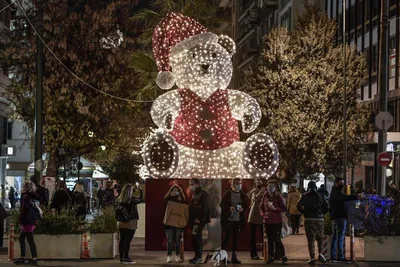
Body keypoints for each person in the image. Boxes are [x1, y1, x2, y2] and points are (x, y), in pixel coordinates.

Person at [329, 177, 362, 263]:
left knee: (335, 237)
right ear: (336, 183)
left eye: (343, 183)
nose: (342, 185)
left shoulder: (335, 192)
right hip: (339, 217)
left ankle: (334, 257)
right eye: (340, 183)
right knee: (340, 237)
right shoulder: (336, 193)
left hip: (336, 217)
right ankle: (340, 257)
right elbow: (343, 198)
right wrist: (356, 196)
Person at [297, 181, 329, 265]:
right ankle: (321, 254)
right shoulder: (321, 196)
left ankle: (312, 257)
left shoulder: (304, 195)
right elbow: (327, 206)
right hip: (319, 219)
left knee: (310, 239)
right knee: (320, 237)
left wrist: (304, 212)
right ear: (316, 187)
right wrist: (322, 213)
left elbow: (298, 205)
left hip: (308, 219)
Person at [220, 178, 248, 264]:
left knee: (236, 239)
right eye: (236, 183)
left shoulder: (242, 194)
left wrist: (242, 208)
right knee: (227, 238)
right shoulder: (228, 193)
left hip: (238, 219)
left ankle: (234, 257)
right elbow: (222, 204)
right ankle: (222, 257)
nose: (238, 185)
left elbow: (246, 205)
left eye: (239, 183)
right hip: (229, 219)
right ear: (232, 185)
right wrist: (229, 208)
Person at [260, 180, 288, 264]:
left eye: (272, 186)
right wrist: (263, 214)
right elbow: (261, 207)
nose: (270, 188)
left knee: (276, 239)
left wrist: (275, 208)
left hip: (276, 221)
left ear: (275, 188)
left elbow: (284, 208)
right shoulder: (264, 196)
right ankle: (271, 256)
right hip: (267, 221)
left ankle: (283, 255)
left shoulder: (277, 196)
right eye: (269, 186)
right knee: (270, 240)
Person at [14, 181, 40, 265]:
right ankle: (24, 257)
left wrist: (20, 219)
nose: (23, 188)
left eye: (24, 186)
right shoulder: (34, 196)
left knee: (30, 239)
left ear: (27, 188)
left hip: (27, 221)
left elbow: (25, 209)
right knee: (22, 238)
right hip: (32, 219)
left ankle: (34, 258)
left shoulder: (26, 196)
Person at [116, 183, 143, 264]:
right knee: (127, 241)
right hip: (130, 222)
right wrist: (140, 190)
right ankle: (126, 258)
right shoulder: (131, 200)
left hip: (121, 222)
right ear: (130, 191)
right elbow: (141, 199)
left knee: (122, 240)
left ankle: (121, 257)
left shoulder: (120, 199)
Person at [188, 178, 210, 264]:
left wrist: (200, 220)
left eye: (192, 184)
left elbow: (205, 209)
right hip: (194, 220)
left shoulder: (203, 194)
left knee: (197, 239)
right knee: (195, 238)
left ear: (197, 184)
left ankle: (199, 257)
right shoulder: (195, 194)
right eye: (190, 184)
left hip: (199, 221)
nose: (191, 186)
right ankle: (197, 256)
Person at [163, 184, 186, 263]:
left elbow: (184, 207)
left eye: (177, 190)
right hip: (169, 223)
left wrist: (179, 197)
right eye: (173, 190)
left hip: (178, 223)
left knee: (177, 240)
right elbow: (165, 205)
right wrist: (171, 196)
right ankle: (169, 256)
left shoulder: (181, 199)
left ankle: (177, 256)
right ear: (171, 191)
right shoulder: (168, 198)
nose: (175, 191)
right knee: (170, 240)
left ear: (179, 192)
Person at [247, 178, 265, 260]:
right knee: (252, 236)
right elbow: (253, 199)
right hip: (254, 216)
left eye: (260, 181)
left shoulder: (265, 190)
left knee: (264, 236)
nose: (259, 182)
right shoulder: (254, 191)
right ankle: (253, 254)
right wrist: (259, 193)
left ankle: (266, 253)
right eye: (257, 181)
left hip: (263, 216)